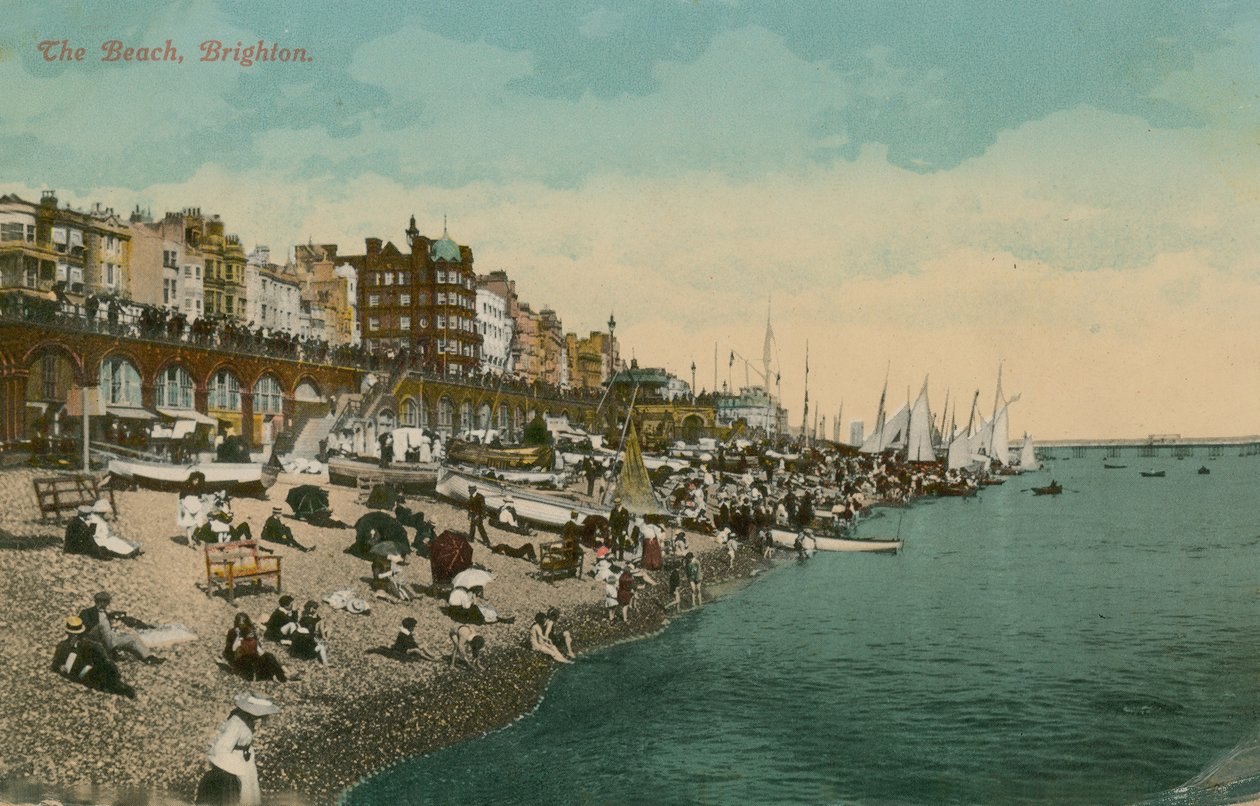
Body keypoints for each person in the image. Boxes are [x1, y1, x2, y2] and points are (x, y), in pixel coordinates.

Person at [195, 692, 280, 806]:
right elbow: (221, 748)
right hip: (234, 760)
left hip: (244, 758)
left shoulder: (247, 719)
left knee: (249, 790)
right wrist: (233, 770)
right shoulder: (236, 723)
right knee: (239, 792)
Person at [51, 615, 135, 698]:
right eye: (73, 634)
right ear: (68, 633)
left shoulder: (88, 644)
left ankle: (119, 685)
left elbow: (101, 655)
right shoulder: (62, 647)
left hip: (93, 669)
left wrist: (104, 660)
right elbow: (55, 664)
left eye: (77, 634)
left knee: (106, 668)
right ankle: (119, 688)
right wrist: (60, 667)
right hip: (81, 674)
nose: (75, 636)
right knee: (100, 676)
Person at [79, 592, 164, 664]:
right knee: (129, 638)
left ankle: (148, 657)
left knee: (127, 637)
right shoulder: (94, 614)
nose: (107, 604)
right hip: (98, 641)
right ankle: (147, 657)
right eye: (106, 602)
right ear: (101, 602)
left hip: (100, 640)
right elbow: (102, 635)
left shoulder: (95, 613)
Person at [222, 613, 293, 682]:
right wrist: (239, 637)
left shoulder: (250, 631)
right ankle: (281, 675)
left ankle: (282, 675)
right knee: (264, 662)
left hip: (253, 656)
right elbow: (232, 650)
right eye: (240, 624)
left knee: (269, 656)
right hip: (241, 660)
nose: (242, 626)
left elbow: (258, 648)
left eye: (244, 624)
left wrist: (265, 656)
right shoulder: (233, 633)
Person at [368, 617, 441, 662]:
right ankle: (431, 659)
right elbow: (408, 644)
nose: (414, 628)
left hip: (405, 648)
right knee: (417, 650)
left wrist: (417, 645)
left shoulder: (405, 633)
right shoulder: (404, 634)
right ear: (409, 627)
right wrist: (416, 646)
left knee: (423, 646)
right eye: (413, 626)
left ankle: (433, 655)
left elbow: (411, 643)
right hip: (402, 651)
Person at [289, 600, 329, 665]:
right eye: (315, 608)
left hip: (296, 652)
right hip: (306, 654)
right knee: (321, 646)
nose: (316, 610)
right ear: (311, 608)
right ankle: (325, 662)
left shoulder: (298, 628)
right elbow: (313, 637)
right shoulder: (308, 622)